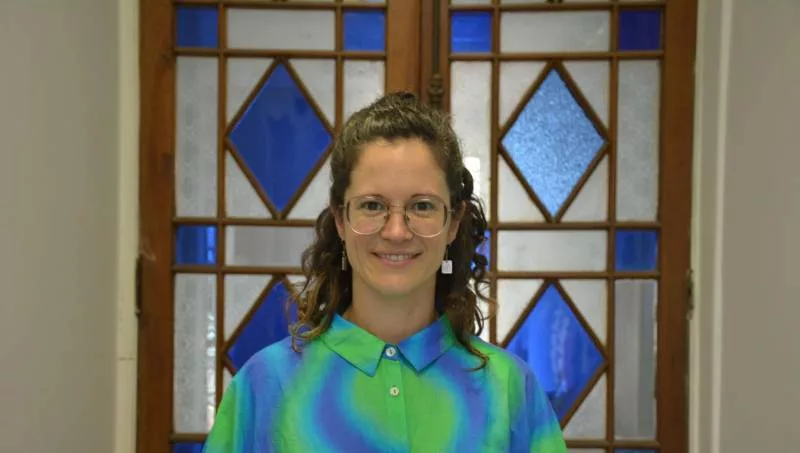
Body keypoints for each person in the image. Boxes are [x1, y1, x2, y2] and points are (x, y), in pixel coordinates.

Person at [203, 92, 567, 453]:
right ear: (340, 219)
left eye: (422, 206)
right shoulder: (265, 386)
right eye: (372, 205)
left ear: (453, 222)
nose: (396, 232)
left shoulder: (510, 391)